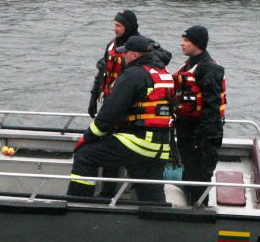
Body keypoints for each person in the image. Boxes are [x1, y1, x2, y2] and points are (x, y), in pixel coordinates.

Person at [67, 35, 174, 202]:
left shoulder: (133, 75)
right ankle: (159, 220)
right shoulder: (163, 73)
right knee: (152, 196)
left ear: (135, 55)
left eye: (125, 53)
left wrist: (86, 138)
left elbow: (109, 115)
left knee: (85, 155)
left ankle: (77, 205)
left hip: (138, 142)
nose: (122, 57)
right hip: (160, 146)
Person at [173, 25, 226, 203]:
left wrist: (200, 137)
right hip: (186, 128)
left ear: (197, 44)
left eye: (186, 40)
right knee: (189, 171)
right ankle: (188, 204)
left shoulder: (209, 68)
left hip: (202, 133)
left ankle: (200, 210)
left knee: (199, 176)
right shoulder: (189, 65)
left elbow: (211, 107)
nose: (182, 44)